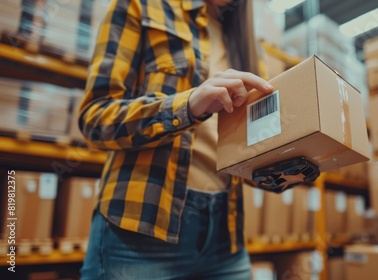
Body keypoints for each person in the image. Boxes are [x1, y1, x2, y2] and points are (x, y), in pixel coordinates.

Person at [78, 0, 272, 279]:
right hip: (141, 231)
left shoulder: (250, 46)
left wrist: (290, 162)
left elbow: (253, 152)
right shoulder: (141, 6)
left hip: (225, 235)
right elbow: (94, 119)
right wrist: (189, 105)